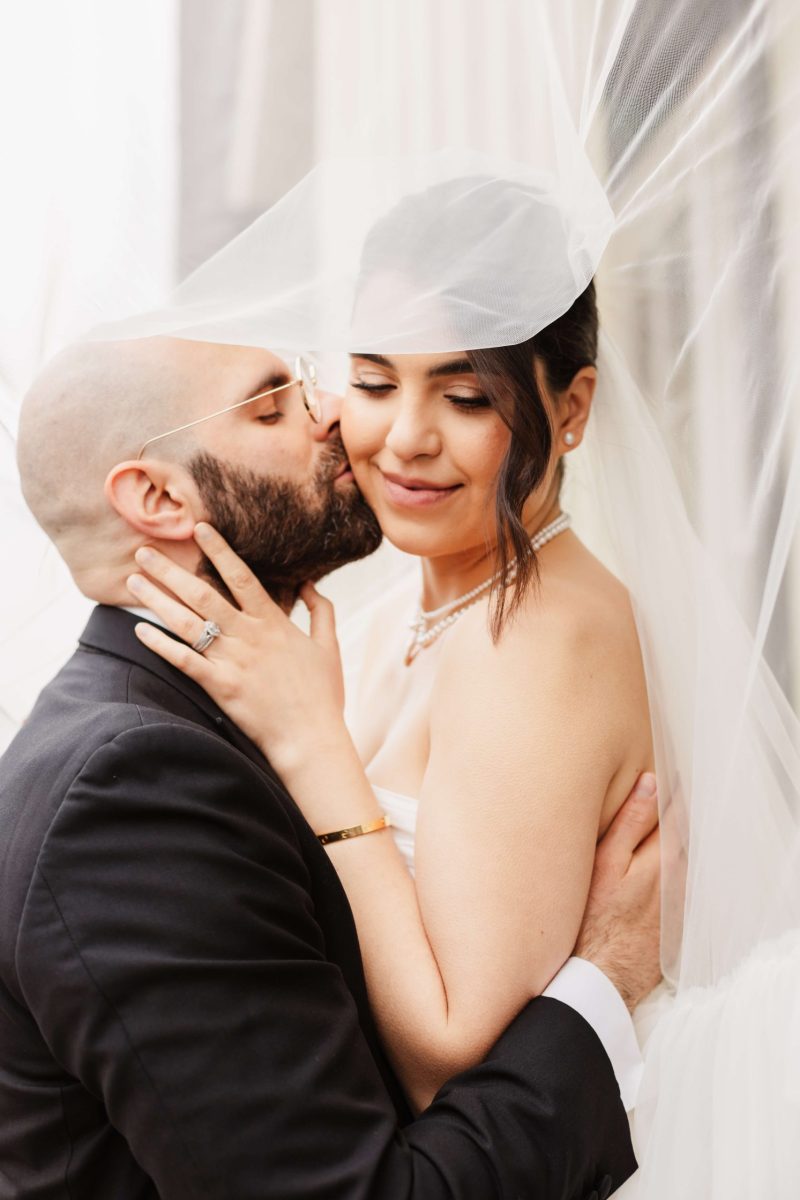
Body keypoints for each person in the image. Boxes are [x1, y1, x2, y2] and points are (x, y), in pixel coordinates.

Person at [0, 333, 659, 1199]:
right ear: (159, 496)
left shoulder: (204, 716)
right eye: (274, 406)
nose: (337, 418)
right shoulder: (132, 790)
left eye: (464, 397)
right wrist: (607, 971)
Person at [129, 272, 656, 1114]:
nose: (405, 438)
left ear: (572, 408)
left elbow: (451, 1061)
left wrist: (316, 748)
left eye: (467, 397)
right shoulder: (383, 623)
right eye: (373, 384)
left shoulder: (545, 641)